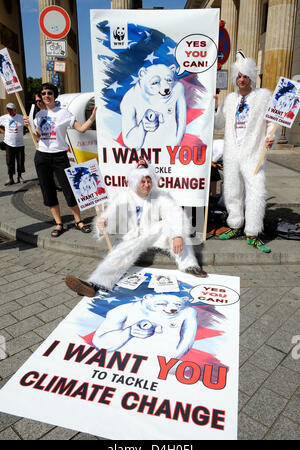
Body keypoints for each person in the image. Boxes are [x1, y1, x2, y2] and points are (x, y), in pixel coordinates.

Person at [65, 158, 207, 297]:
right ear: (135, 182)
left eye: (149, 180)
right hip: (130, 236)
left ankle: (189, 265)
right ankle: (94, 285)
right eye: (143, 181)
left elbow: (175, 214)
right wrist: (103, 223)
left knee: (176, 230)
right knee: (119, 254)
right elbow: (109, 216)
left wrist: (177, 235)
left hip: (151, 233)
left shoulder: (160, 196)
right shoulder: (123, 197)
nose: (146, 184)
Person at [214, 51, 278, 253]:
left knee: (256, 191)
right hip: (232, 153)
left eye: (245, 76)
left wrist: (271, 138)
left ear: (251, 77)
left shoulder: (263, 96)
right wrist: (213, 106)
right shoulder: (230, 99)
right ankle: (234, 225)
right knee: (232, 190)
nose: (242, 80)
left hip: (253, 153)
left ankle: (252, 232)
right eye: (239, 76)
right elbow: (217, 125)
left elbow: (273, 122)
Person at [25, 83, 97, 238]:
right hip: (42, 156)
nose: (46, 96)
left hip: (59, 156)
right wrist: (30, 128)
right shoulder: (39, 115)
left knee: (68, 189)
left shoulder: (64, 113)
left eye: (49, 93)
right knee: (48, 190)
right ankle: (58, 223)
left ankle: (78, 221)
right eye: (43, 93)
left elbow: (82, 129)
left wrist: (92, 117)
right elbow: (39, 137)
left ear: (54, 95)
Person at [0, 102, 26, 185]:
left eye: (11, 110)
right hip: (9, 143)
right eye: (8, 110)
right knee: (9, 161)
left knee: (20, 161)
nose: (9, 111)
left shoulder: (21, 117)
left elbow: (29, 125)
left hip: (20, 144)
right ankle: (10, 178)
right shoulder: (4, 118)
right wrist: (3, 131)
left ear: (15, 110)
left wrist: (25, 131)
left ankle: (19, 176)